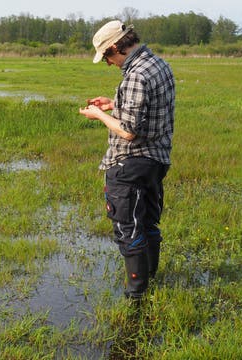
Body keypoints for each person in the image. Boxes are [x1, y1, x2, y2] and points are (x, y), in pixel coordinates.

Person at [79, 20, 175, 302]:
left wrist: (99, 115)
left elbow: (130, 131)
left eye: (107, 57)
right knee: (147, 222)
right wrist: (113, 104)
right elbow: (149, 109)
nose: (108, 63)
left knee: (127, 227)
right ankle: (151, 279)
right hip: (156, 161)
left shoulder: (135, 75)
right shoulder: (158, 64)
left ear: (115, 47)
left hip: (130, 163)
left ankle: (136, 295)